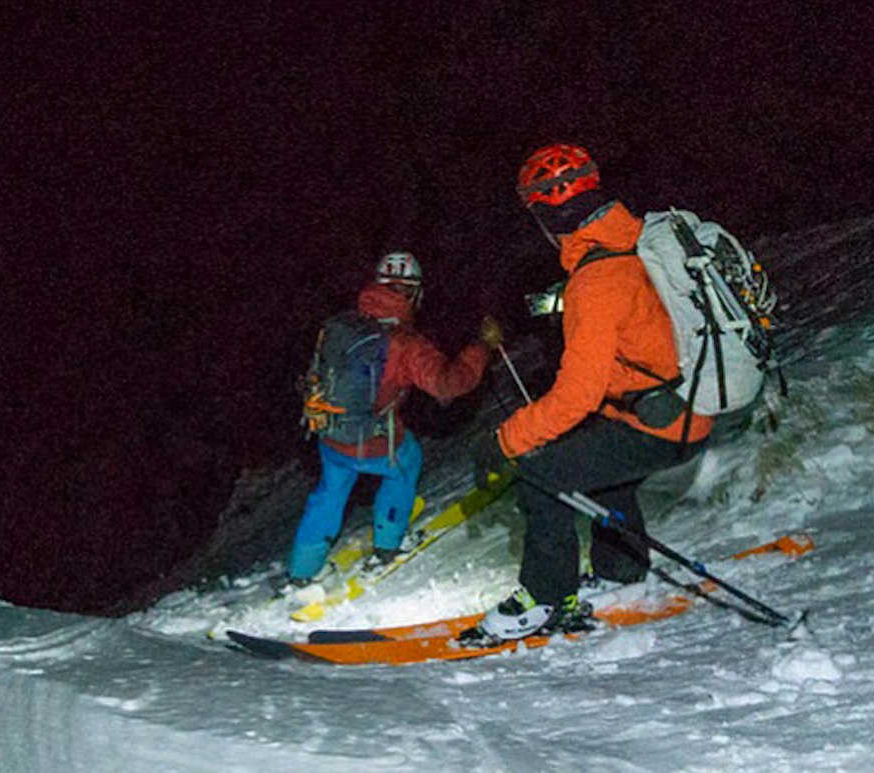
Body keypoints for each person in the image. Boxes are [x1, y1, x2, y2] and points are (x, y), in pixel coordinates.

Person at [468, 143, 712, 641]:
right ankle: (621, 571)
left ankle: (545, 599)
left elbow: (577, 394)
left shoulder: (596, 279)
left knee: (540, 473)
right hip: (680, 405)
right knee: (599, 462)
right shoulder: (634, 239)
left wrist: (504, 441)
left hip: (663, 421)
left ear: (544, 212)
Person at [286, 250, 503, 586]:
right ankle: (388, 546)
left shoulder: (340, 325)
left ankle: (301, 570)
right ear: (414, 292)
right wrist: (482, 349)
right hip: (373, 441)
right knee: (405, 464)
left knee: (330, 492)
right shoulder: (406, 344)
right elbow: (448, 383)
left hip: (331, 433)